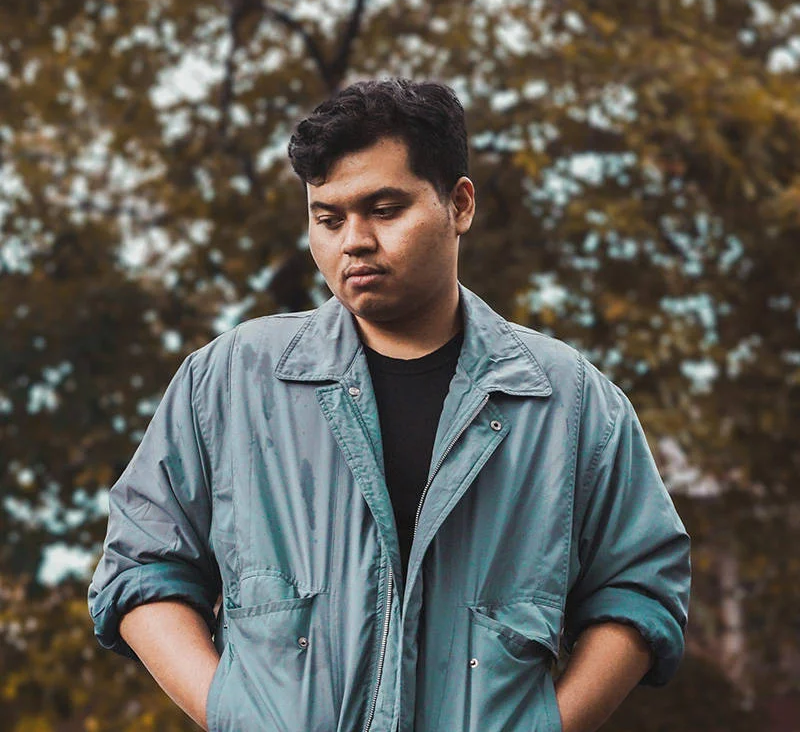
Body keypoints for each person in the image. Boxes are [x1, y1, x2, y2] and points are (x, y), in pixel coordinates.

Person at [88, 78, 691, 732]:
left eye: (384, 209)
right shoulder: (230, 381)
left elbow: (639, 585)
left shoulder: (568, 401)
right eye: (329, 218)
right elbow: (143, 565)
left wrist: (548, 726)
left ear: (459, 205)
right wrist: (234, 715)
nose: (354, 241)